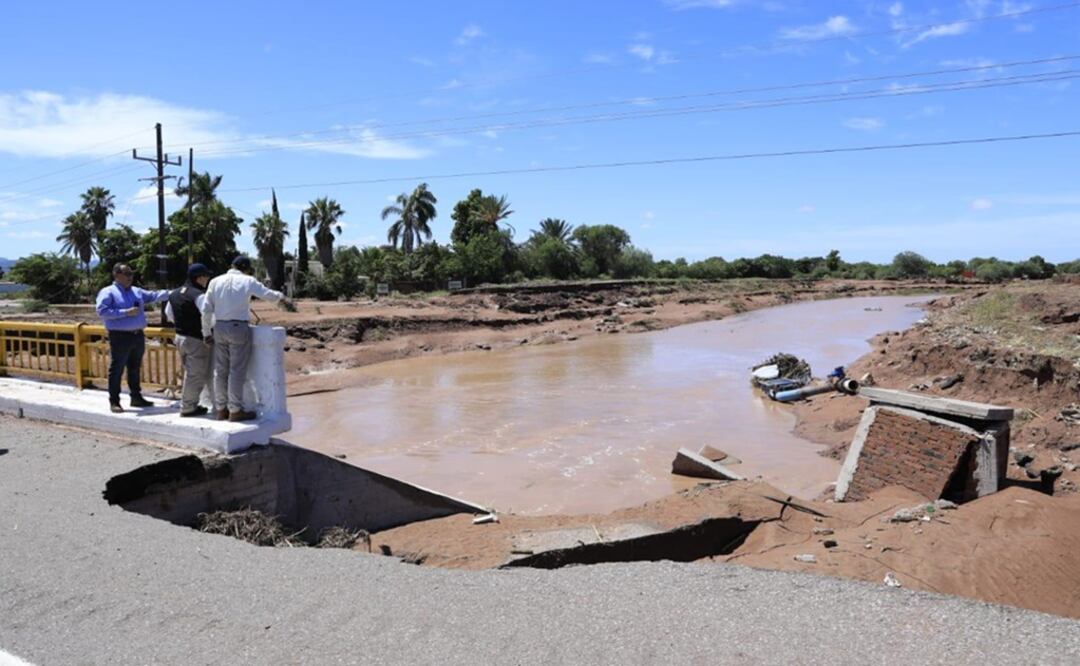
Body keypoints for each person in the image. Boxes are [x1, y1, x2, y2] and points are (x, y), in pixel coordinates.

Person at [201, 255, 288, 421]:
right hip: (238, 328)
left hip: (219, 327)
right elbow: (267, 294)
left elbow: (206, 309)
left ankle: (221, 409)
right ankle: (235, 410)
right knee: (236, 370)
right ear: (246, 268)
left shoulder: (215, 281)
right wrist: (281, 297)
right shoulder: (248, 281)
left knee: (221, 370)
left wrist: (206, 333)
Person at [95, 264, 171, 413]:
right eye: (127, 274)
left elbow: (154, 296)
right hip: (120, 336)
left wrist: (176, 293)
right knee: (116, 369)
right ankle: (114, 401)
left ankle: (136, 397)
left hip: (137, 335)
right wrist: (125, 312)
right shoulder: (108, 292)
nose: (130, 277)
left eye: (131, 273)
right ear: (117, 275)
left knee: (134, 368)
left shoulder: (137, 291)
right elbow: (102, 311)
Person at [166, 263, 214, 417]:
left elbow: (169, 314)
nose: (207, 279)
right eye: (206, 276)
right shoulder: (198, 295)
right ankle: (188, 407)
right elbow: (208, 315)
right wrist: (208, 331)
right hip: (195, 339)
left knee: (190, 373)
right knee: (195, 375)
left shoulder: (174, 294)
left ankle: (188, 403)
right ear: (198, 278)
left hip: (180, 337)